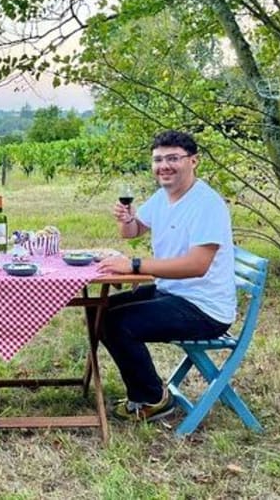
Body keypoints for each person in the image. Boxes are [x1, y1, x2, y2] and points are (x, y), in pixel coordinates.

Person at [97, 130, 236, 423]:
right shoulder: (163, 197)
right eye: (158, 159)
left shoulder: (206, 204)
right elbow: (133, 232)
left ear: (193, 161)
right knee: (99, 311)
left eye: (173, 158)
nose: (164, 166)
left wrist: (134, 266)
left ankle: (153, 399)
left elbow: (197, 265)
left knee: (115, 323)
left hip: (204, 308)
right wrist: (126, 220)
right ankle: (145, 388)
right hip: (172, 292)